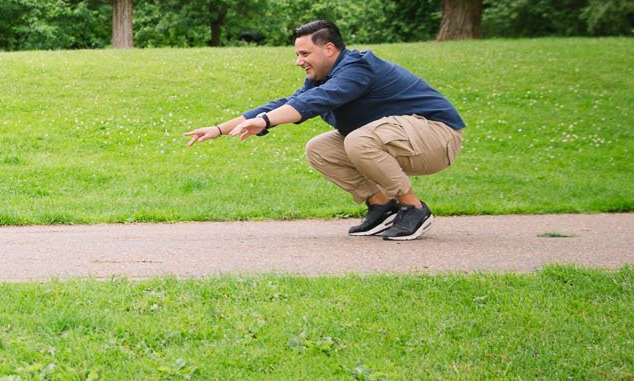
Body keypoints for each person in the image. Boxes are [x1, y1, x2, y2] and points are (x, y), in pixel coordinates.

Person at [183, 19, 465, 241]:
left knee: (358, 140)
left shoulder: (357, 67)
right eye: (297, 54)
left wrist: (267, 122)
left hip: (437, 136)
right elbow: (291, 102)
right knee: (319, 148)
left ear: (329, 49)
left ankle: (413, 208)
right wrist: (220, 129)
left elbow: (315, 102)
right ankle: (382, 206)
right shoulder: (323, 77)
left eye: (305, 53)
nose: (298, 61)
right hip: (404, 140)